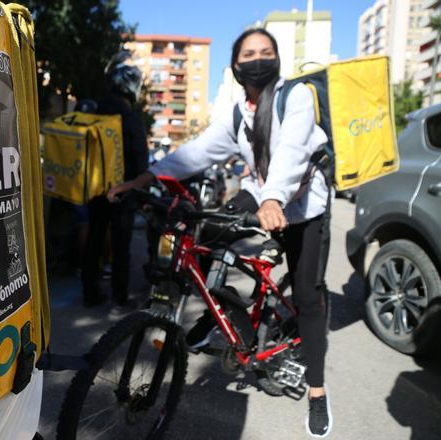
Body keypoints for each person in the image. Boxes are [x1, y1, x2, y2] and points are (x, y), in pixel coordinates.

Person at [107, 29, 333, 438]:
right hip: (264, 194)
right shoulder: (236, 113)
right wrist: (143, 180)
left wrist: (273, 200)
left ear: (277, 60)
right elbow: (196, 152)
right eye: (250, 53)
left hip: (303, 205)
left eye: (267, 53)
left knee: (308, 298)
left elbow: (292, 152)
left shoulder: (295, 97)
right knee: (204, 232)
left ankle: (317, 392)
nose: (258, 59)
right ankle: (224, 318)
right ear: (236, 64)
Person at [81, 52, 149, 307]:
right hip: (124, 192)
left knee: (94, 242)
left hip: (95, 189)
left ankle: (90, 293)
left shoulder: (94, 113)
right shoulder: (130, 118)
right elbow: (141, 163)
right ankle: (119, 297)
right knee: (121, 247)